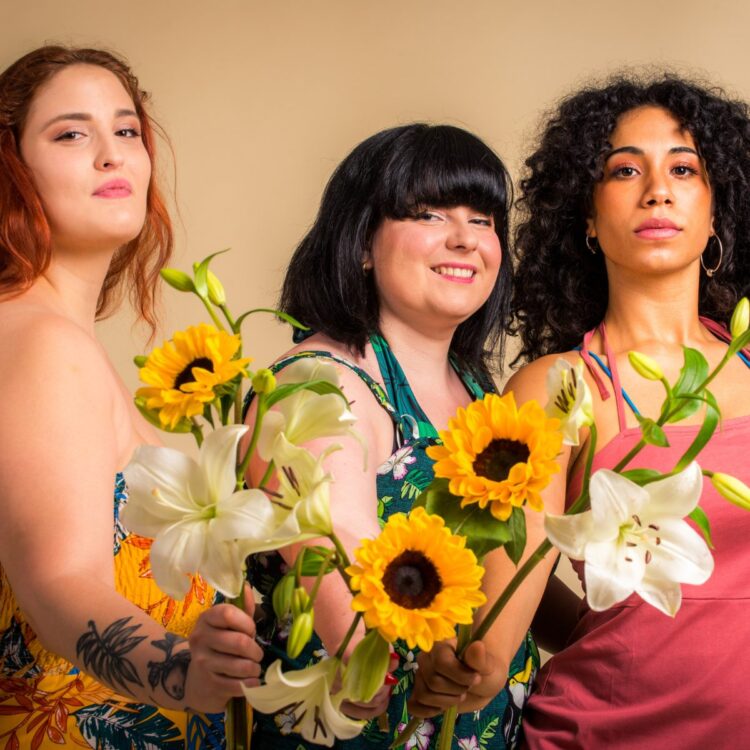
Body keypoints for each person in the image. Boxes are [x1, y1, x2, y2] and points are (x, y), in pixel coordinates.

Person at [411, 75, 750, 748]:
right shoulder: (561, 388)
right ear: (587, 219)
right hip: (602, 733)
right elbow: (496, 634)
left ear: (716, 212)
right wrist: (460, 668)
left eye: (684, 168)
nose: (658, 188)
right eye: (625, 170)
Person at [244, 124, 539, 748]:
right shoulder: (319, 383)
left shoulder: (481, 392)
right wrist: (373, 653)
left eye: (483, 219)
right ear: (362, 244)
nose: (464, 238)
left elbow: (503, 569)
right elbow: (338, 543)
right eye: (428, 213)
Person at [0, 46, 262, 748]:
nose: (113, 155)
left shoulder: (51, 338)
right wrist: (184, 676)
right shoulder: (42, 344)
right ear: (11, 168)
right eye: (71, 133)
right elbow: (56, 578)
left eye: (126, 130)